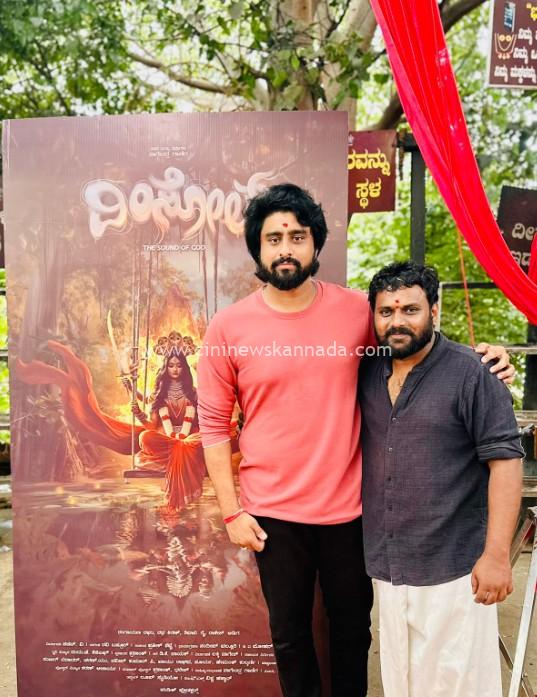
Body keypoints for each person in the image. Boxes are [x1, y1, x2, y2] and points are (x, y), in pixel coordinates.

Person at [196, 183, 514, 697]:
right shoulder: (228, 327)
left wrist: (484, 358)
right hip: (271, 514)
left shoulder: (354, 312)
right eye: (274, 238)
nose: (285, 249)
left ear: (315, 244)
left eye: (297, 237)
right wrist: (231, 512)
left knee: (351, 634)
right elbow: (212, 424)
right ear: (257, 247)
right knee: (290, 637)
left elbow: (412, 346)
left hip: (350, 512)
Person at [359, 261, 524, 697]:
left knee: (461, 687)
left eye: (410, 310)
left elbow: (506, 463)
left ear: (434, 311)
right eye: (386, 311)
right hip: (389, 567)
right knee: (402, 685)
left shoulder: (474, 373)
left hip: (455, 570)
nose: (397, 321)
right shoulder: (367, 371)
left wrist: (497, 556)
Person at [129, 346, 207, 509]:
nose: (175, 369)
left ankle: (180, 450)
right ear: (166, 368)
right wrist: (139, 415)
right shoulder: (158, 395)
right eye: (171, 365)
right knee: (145, 437)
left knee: (202, 438)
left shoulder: (193, 393)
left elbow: (203, 421)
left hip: (190, 438)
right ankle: (181, 451)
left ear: (184, 368)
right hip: (167, 439)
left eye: (179, 366)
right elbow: (152, 426)